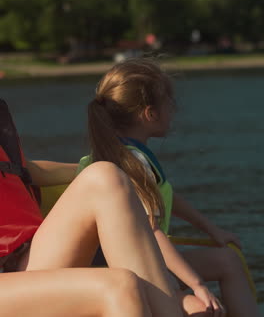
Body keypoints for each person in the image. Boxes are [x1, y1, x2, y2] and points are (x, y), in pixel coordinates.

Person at [78, 57, 260, 317]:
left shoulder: (107, 157)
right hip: (128, 271)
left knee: (228, 261)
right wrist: (197, 284)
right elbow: (151, 232)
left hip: (144, 262)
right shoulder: (132, 161)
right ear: (150, 114)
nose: (174, 110)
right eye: (169, 104)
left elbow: (166, 195)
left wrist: (212, 229)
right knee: (202, 307)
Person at [0, 99, 191, 317]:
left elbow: (24, 171)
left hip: (24, 260)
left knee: (105, 176)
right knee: (120, 286)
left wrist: (119, 169)